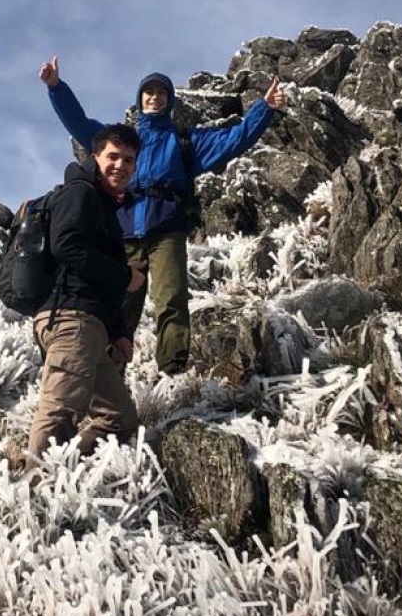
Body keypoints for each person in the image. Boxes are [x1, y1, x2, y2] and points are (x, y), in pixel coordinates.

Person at [38, 57, 287, 376]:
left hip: (167, 233)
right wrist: (56, 87)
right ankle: (109, 374)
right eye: (148, 92)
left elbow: (233, 140)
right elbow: (80, 124)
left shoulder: (185, 142)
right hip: (123, 234)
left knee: (171, 297)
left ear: (169, 101)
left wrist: (264, 109)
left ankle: (173, 368)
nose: (154, 97)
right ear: (139, 100)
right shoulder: (124, 143)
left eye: (161, 93)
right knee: (117, 304)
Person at [27, 123, 146, 460]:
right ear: (96, 157)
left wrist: (118, 332)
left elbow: (94, 279)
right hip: (71, 321)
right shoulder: (80, 192)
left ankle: (65, 475)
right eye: (113, 156)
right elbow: (67, 247)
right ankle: (35, 493)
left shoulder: (104, 207)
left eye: (128, 160)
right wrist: (125, 276)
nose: (120, 166)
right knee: (59, 414)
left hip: (91, 324)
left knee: (119, 420)